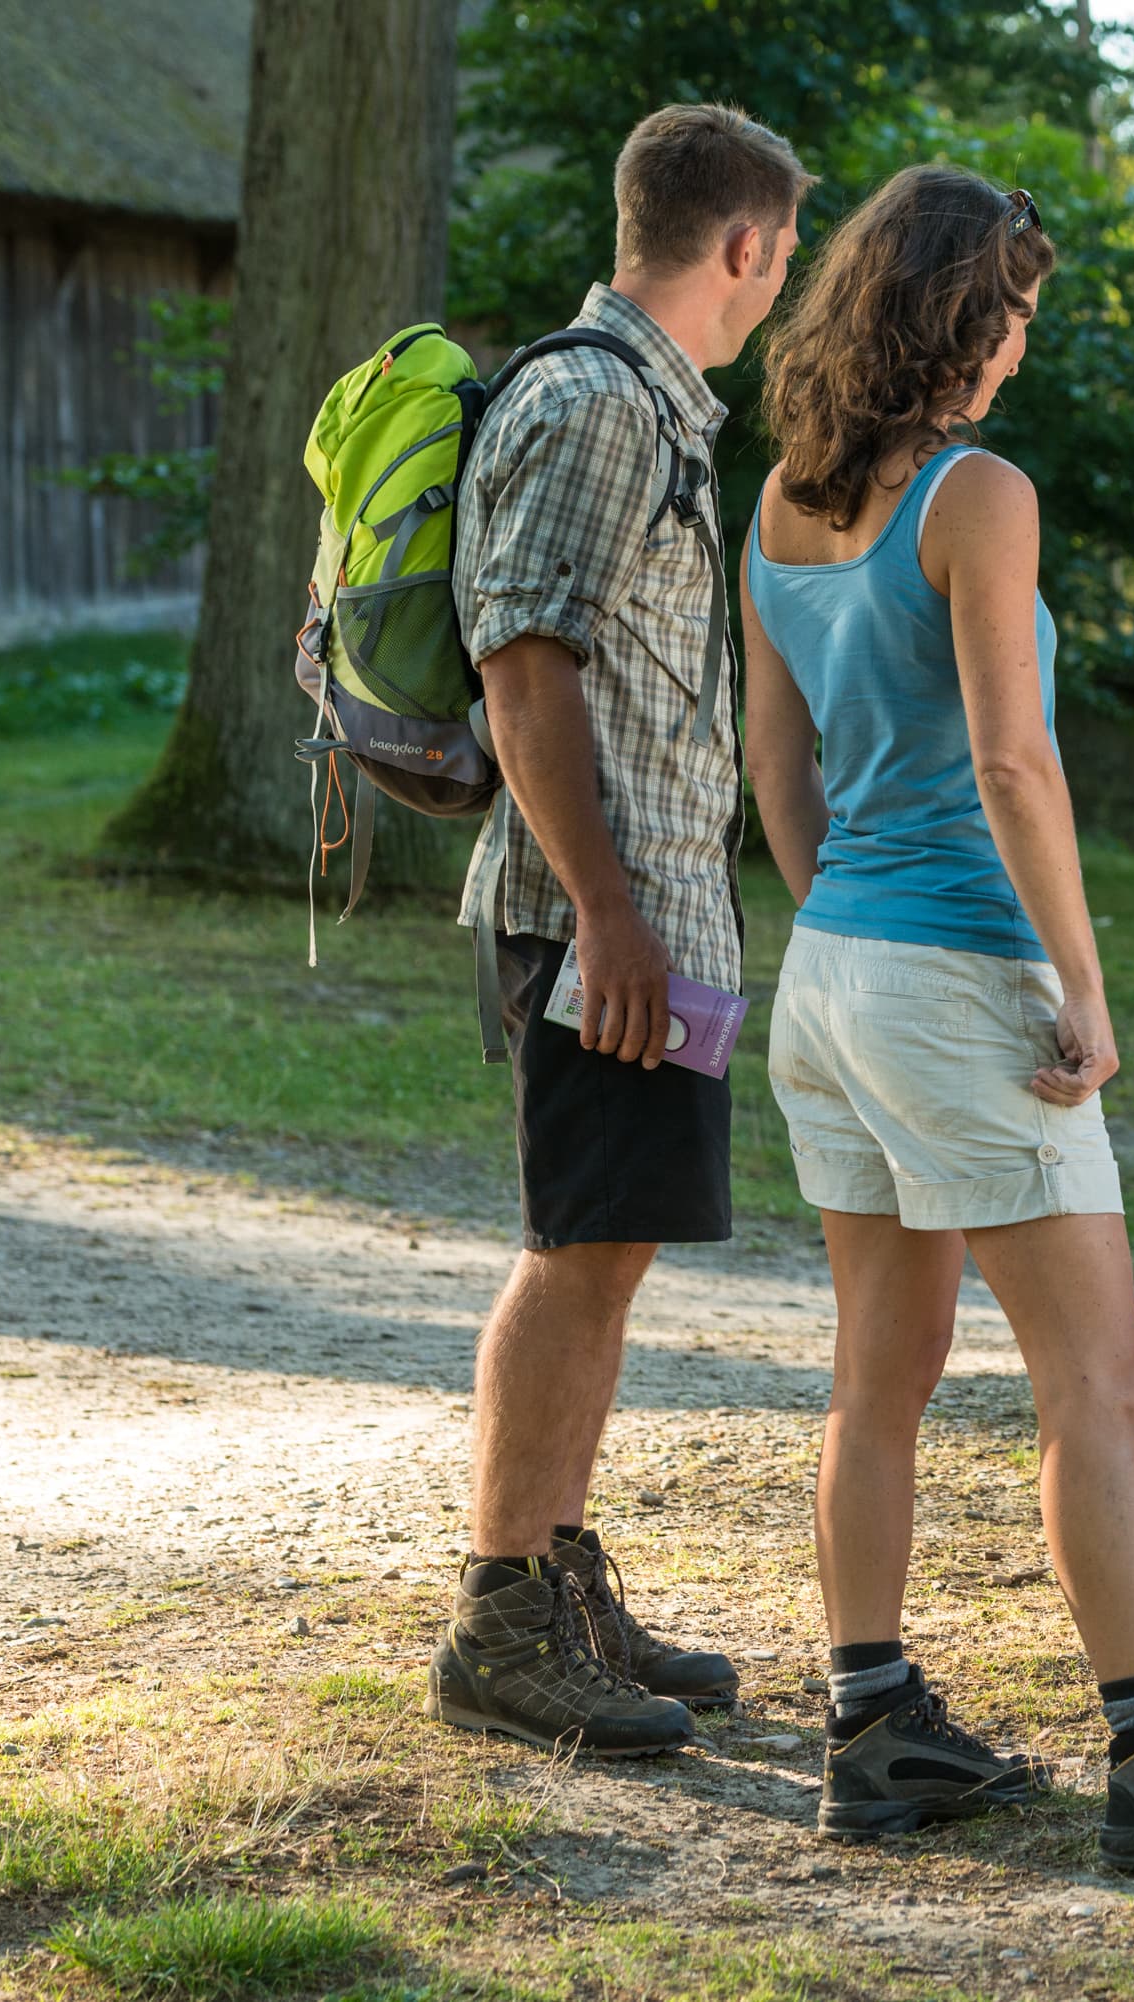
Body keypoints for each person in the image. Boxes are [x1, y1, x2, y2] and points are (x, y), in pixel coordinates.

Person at [741, 163, 1134, 1873]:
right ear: (959, 311)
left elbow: (775, 771)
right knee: (1100, 1380)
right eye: (1011, 312)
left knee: (881, 1376)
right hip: (957, 981)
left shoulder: (783, 507)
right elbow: (1015, 761)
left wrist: (840, 921)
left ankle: (872, 1731)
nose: (1020, 345)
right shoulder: (977, 496)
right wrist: (1077, 985)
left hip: (833, 978)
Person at [424, 104, 811, 1758]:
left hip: (664, 927)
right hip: (604, 927)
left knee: (622, 1238)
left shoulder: (654, 412)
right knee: (576, 1245)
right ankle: (500, 1616)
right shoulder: (590, 403)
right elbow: (525, 667)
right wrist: (607, 916)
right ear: (742, 246)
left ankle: (562, 1575)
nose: (781, 285)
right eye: (782, 257)